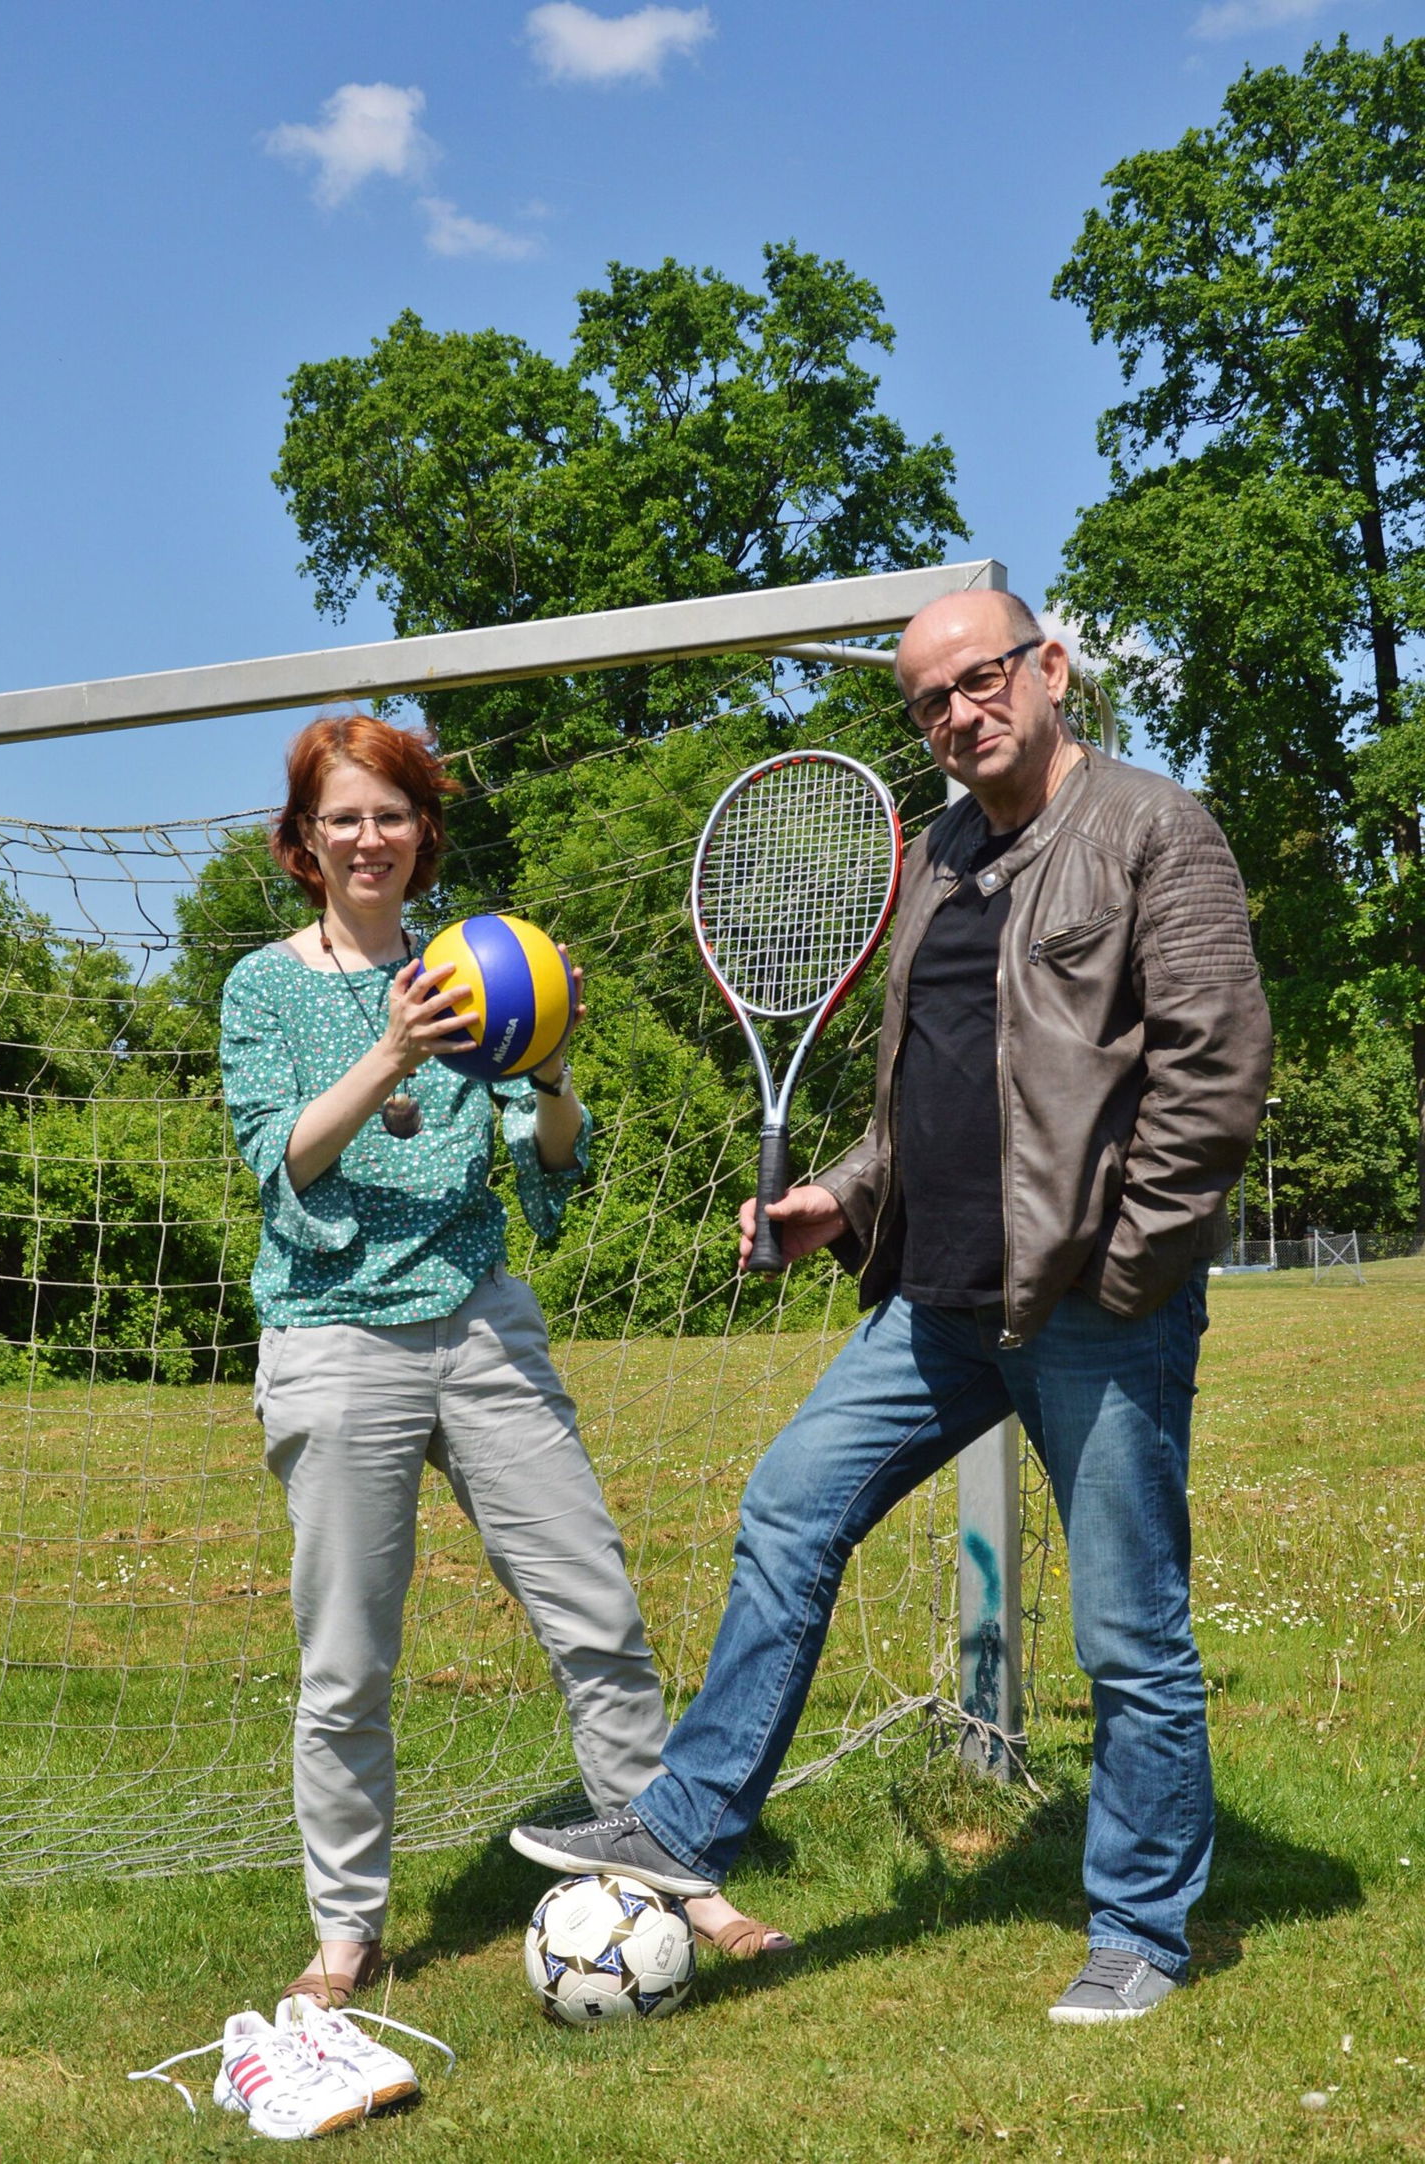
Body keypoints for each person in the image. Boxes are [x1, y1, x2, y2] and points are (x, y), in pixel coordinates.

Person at [511, 590, 1273, 2024]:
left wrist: (1126, 1266)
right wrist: (843, 1203)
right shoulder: (936, 857)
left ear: (1049, 668)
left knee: (1128, 1632)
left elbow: (1216, 1073)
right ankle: (686, 1827)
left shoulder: (1151, 829)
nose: (957, 715)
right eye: (929, 701)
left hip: (1091, 1307)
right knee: (792, 1507)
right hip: (932, 1307)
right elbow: (921, 1095)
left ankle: (1141, 1928)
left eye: (979, 682)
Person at [220, 710, 786, 2009]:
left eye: (393, 814)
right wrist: (392, 1049)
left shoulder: (486, 964)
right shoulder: (266, 987)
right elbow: (283, 1161)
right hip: (335, 1341)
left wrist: (555, 1061)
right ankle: (347, 1936)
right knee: (347, 1660)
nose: (370, 837)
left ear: (425, 836)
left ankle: (674, 1878)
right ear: (304, 842)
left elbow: (553, 1167)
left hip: (480, 1325)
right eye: (343, 817)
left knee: (596, 1613)